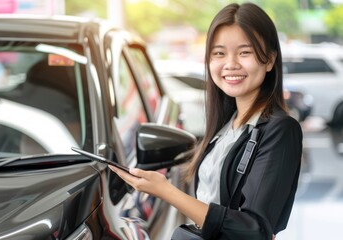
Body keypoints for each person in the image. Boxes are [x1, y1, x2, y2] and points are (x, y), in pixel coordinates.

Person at [109, 2, 303, 240]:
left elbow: (255, 230)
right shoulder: (226, 125)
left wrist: (165, 191)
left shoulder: (280, 129)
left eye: (245, 52)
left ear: (270, 60)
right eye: (219, 53)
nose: (230, 64)